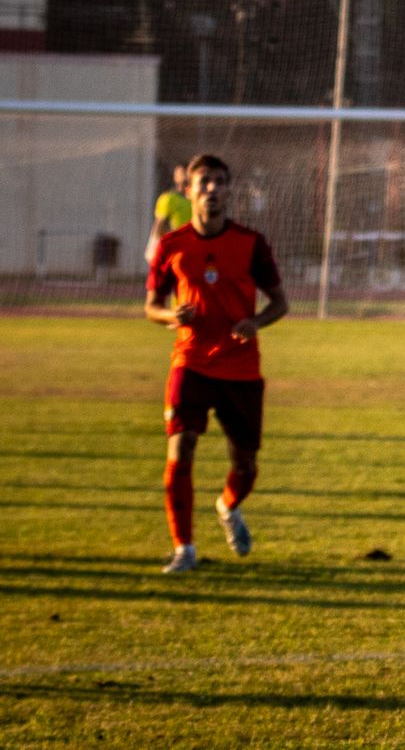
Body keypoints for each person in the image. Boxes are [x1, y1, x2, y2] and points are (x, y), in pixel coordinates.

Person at [144, 154, 289, 573]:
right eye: (204, 181)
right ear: (187, 191)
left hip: (240, 369)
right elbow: (152, 306)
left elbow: (280, 302)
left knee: (244, 464)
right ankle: (184, 549)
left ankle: (228, 507)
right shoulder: (172, 246)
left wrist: (256, 321)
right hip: (189, 362)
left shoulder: (251, 243)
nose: (212, 188)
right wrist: (173, 317)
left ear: (228, 190)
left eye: (220, 181)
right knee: (181, 448)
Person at [145, 165, 191, 264]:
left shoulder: (197, 200)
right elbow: (159, 225)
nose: (185, 176)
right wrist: (154, 247)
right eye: (181, 173)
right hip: (175, 249)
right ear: (175, 177)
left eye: (186, 172)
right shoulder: (168, 199)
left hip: (193, 247)